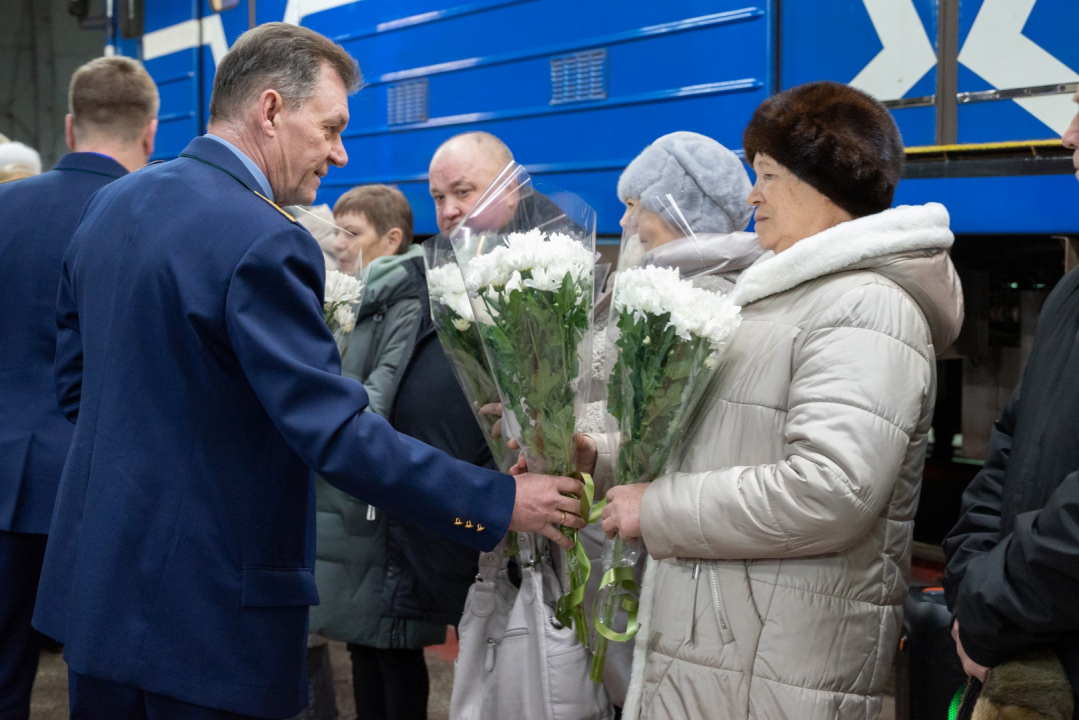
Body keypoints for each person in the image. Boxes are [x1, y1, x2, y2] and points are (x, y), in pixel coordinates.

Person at [31, 23, 585, 720]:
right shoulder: (264, 238)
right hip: (208, 619)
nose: (339, 152)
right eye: (329, 128)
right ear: (269, 111)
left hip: (99, 597)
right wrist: (497, 500)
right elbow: (336, 434)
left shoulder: (113, 203)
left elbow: (76, 387)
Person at [574, 81, 965, 718]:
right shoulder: (790, 295)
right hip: (732, 653)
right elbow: (722, 439)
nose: (751, 194)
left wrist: (659, 509)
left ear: (824, 182)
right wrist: (602, 456)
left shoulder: (866, 305)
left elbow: (831, 487)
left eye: (767, 174)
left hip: (778, 669)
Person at [0, 56, 158, 720]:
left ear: (69, 126)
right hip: (105, 486)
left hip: (5, 481)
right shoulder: (155, 216)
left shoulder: (5, 207)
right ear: (151, 133)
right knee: (108, 682)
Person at [312, 184, 481, 720]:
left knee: (393, 643)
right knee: (364, 642)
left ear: (392, 237)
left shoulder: (405, 298)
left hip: (381, 500)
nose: (339, 244)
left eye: (352, 232)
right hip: (356, 493)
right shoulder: (360, 294)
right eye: (336, 231)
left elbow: (376, 394)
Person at [942, 89, 1079, 716]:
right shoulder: (1070, 295)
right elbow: (1007, 449)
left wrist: (988, 610)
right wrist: (969, 585)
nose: (1068, 137)